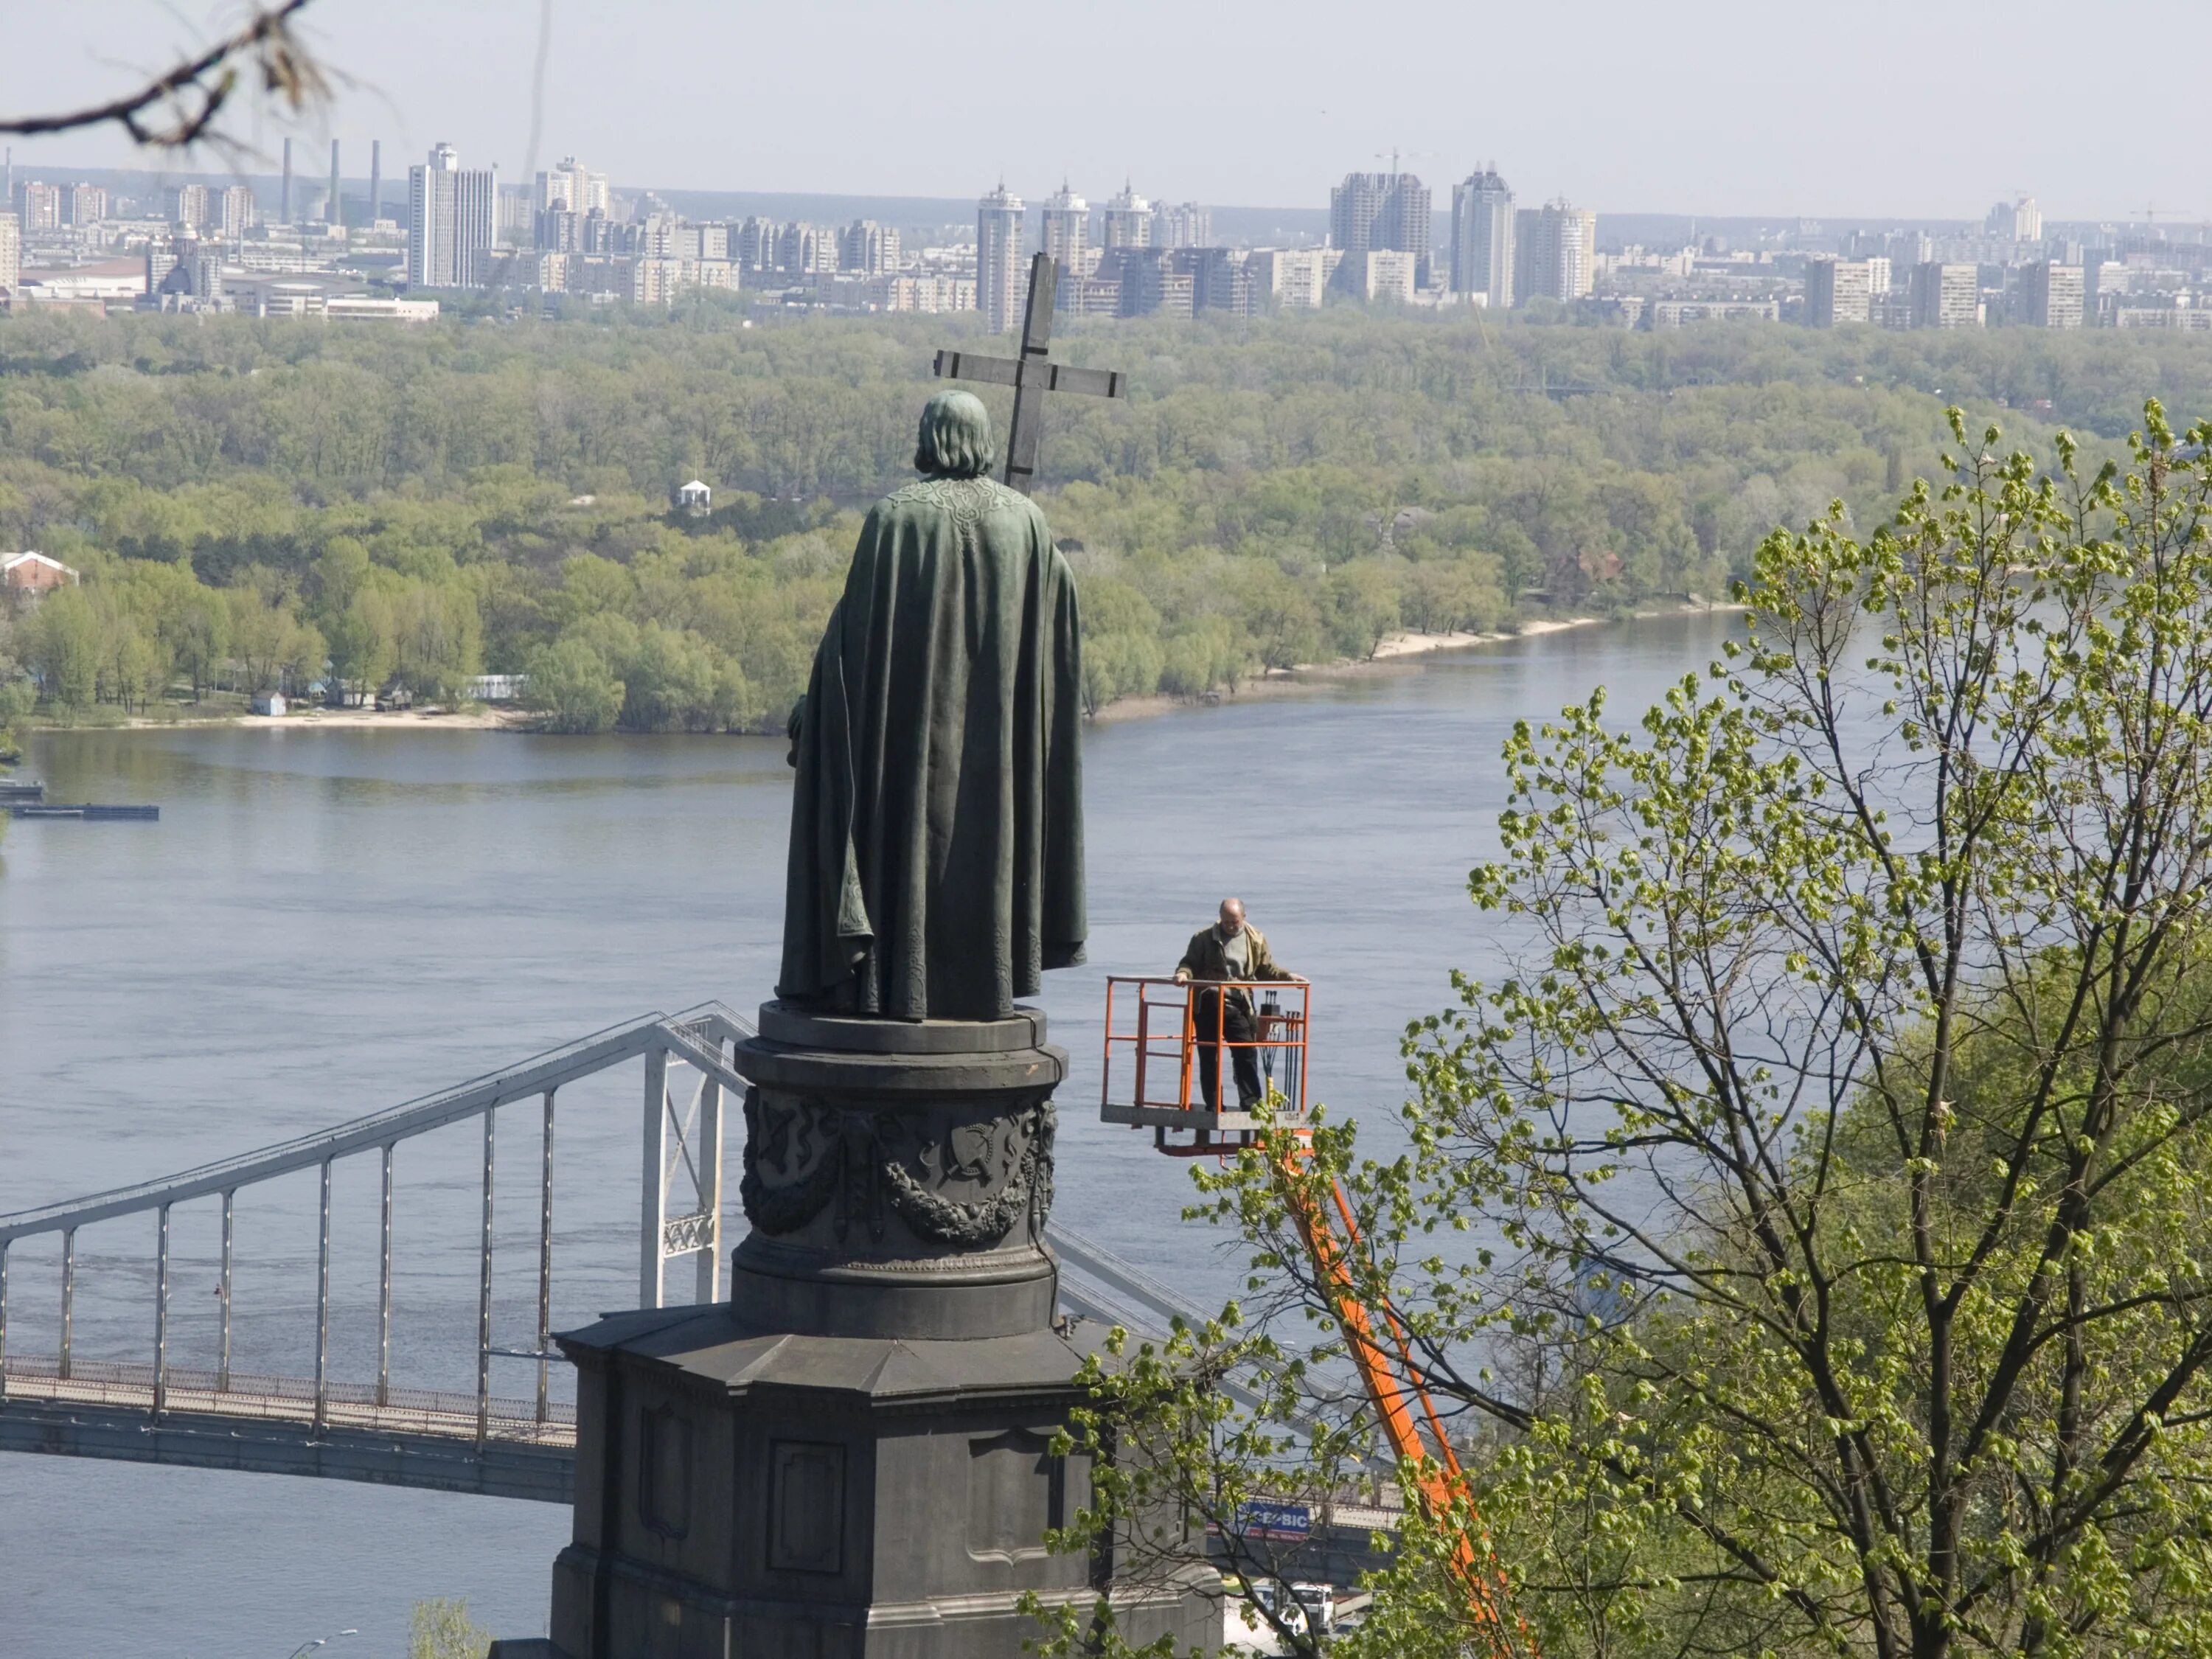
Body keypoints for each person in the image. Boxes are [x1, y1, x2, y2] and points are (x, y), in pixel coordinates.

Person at [778, 390, 1086, 1020]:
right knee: (989, 845)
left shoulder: (896, 519)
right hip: (999, 760)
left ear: (930, 437)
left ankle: (890, 985)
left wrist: (820, 713)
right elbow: (1057, 628)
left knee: (901, 843)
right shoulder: (1026, 521)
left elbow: (854, 648)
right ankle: (985, 986)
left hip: (908, 755)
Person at [1173, 898, 1298, 1110]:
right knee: (1208, 1054)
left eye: (1235, 922)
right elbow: (1189, 963)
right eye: (1226, 922)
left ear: (1244, 917)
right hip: (1208, 1002)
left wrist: (1288, 977)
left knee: (1246, 1051)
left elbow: (1266, 969)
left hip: (1237, 1003)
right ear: (1220, 918)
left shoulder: (1255, 938)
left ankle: (1251, 1103)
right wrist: (1182, 974)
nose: (1230, 926)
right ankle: (1214, 1104)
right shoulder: (1203, 938)